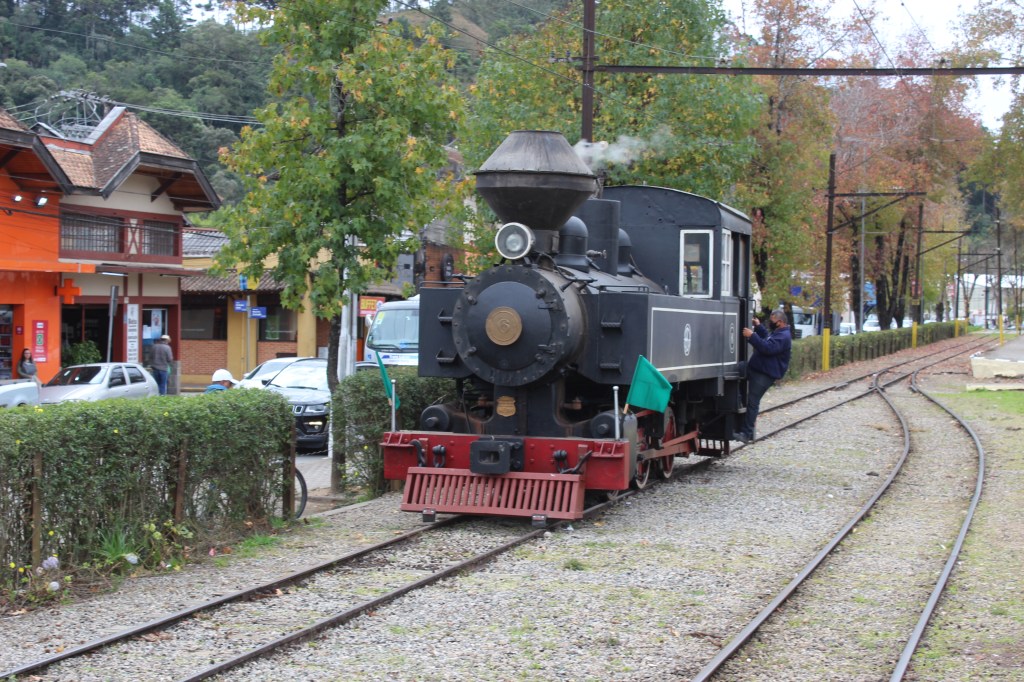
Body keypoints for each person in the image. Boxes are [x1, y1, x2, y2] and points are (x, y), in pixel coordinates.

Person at [734, 310, 793, 444]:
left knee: (753, 402)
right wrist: (759, 327)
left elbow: (768, 348)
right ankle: (737, 399)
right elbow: (767, 337)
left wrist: (752, 336)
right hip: (755, 368)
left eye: (772, 321)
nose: (770, 323)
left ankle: (746, 433)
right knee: (735, 370)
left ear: (780, 322)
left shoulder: (784, 336)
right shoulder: (779, 333)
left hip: (764, 375)